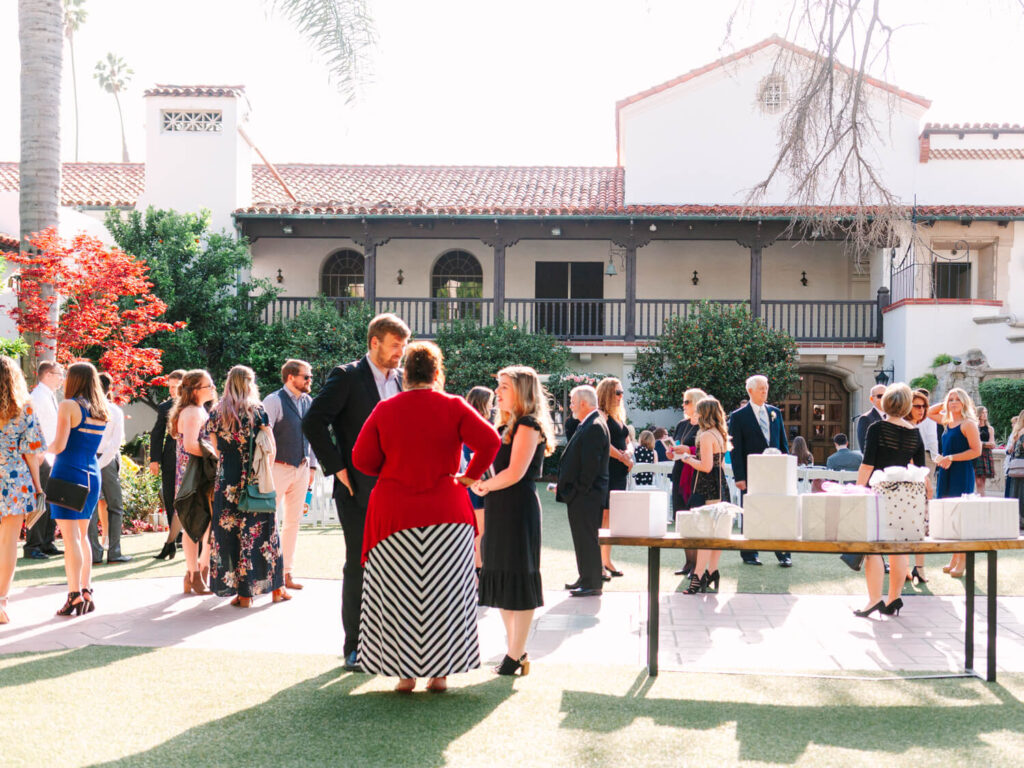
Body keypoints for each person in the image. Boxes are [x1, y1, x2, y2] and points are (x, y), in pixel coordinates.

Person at [353, 343, 500, 692]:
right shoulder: (453, 406)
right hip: (446, 512)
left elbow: (361, 459)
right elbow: (490, 441)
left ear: (405, 375)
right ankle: (440, 675)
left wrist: (390, 468)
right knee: (446, 595)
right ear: (437, 374)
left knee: (397, 595)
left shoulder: (385, 408)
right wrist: (469, 476)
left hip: (393, 515)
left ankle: (405, 675)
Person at [303, 312, 411, 672]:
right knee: (360, 566)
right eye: (396, 346)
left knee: (398, 566)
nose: (401, 353)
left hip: (399, 491)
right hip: (358, 491)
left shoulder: (403, 381)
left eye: (404, 347)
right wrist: (339, 468)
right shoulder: (346, 376)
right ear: (374, 342)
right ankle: (355, 647)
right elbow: (313, 421)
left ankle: (393, 644)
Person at [474, 366, 553, 675]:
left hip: (518, 508)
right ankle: (515, 651)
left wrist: (483, 486)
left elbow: (516, 472)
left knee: (519, 578)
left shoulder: (529, 425)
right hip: (498, 506)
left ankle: (515, 654)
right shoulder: (505, 426)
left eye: (504, 386)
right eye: (498, 386)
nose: (498, 392)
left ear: (521, 391)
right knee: (504, 578)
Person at [205, 366, 288, 606]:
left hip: (227, 479)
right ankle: (274, 588)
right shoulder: (257, 411)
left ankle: (243, 594)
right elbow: (270, 447)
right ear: (250, 383)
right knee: (262, 532)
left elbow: (217, 448)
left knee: (229, 534)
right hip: (254, 478)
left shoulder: (216, 412)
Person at [854, 383, 928, 618]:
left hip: (879, 493)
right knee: (900, 548)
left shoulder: (877, 428)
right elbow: (921, 469)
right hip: (906, 497)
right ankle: (894, 598)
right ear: (907, 405)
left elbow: (867, 464)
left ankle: (874, 599)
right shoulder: (914, 432)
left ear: (885, 403)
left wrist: (857, 490)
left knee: (873, 548)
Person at [49, 362, 109, 616]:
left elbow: (60, 445)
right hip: (92, 474)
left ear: (74, 380)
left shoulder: (68, 406)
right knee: (82, 535)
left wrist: (41, 448)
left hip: (66, 473)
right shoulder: (101, 410)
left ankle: (73, 594)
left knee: (70, 536)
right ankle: (86, 589)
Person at [264, 359, 318, 591]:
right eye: (306, 377)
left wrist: (313, 467)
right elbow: (263, 437)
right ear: (290, 378)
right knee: (268, 520)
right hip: (277, 467)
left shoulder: (309, 401)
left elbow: (313, 435)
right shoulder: (274, 400)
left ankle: (286, 573)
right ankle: (267, 572)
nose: (309, 380)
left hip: (302, 468)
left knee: (293, 522)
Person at [0, 357, 47, 624]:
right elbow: (33, 454)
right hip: (15, 480)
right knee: (8, 543)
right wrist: (38, 488)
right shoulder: (24, 408)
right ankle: (1, 602)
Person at [729, 374, 792, 567]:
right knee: (752, 512)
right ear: (750, 391)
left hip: (775, 473)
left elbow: (782, 442)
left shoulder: (775, 412)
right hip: (750, 473)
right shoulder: (738, 416)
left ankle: (783, 553)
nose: (765, 392)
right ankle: (750, 553)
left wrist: (786, 467)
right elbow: (736, 448)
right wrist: (739, 476)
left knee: (780, 511)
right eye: (761, 388)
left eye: (766, 388)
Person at [557, 385, 609, 599]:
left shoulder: (594, 425)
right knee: (583, 537)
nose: (570, 406)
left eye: (572, 402)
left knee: (587, 537)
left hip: (587, 496)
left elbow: (591, 466)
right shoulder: (589, 423)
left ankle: (592, 581)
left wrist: (577, 490)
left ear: (584, 404)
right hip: (585, 495)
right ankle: (586, 576)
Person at [676, 397, 731, 594]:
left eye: (698, 412)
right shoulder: (720, 434)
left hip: (708, 488)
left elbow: (705, 467)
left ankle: (698, 576)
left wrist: (687, 459)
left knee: (704, 535)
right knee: (716, 534)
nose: (696, 415)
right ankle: (712, 570)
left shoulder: (707, 435)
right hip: (720, 485)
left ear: (705, 414)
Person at [170, 369, 217, 595]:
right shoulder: (192, 412)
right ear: (196, 390)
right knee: (193, 524)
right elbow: (190, 445)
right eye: (209, 386)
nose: (213, 388)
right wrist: (215, 456)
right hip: (193, 473)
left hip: (199, 472)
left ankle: (198, 572)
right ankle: (194, 574)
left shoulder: (198, 410)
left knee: (206, 523)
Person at [928, 387, 981, 578]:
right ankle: (954, 558)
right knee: (950, 517)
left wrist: (950, 457)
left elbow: (976, 451)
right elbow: (928, 412)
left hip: (961, 472)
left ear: (966, 402)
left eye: (958, 399)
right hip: (946, 471)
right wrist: (947, 403)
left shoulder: (968, 424)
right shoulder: (948, 421)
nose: (954, 402)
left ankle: (962, 560)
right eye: (951, 399)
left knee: (961, 517)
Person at [87, 372, 131, 565]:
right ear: (109, 389)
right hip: (107, 461)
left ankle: (95, 554)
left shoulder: (84, 408)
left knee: (90, 507)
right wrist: (102, 462)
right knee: (115, 506)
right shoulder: (114, 410)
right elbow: (116, 443)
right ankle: (114, 551)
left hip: (88, 458)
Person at [23, 361, 64, 560]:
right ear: (47, 374)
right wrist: (37, 452)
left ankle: (47, 542)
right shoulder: (37, 397)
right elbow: (32, 427)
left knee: (50, 500)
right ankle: (33, 545)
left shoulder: (48, 395)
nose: (61, 379)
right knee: (39, 500)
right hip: (41, 456)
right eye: (58, 374)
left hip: (51, 455)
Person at [596, 378, 630, 579]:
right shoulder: (602, 415)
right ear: (607, 393)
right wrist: (622, 456)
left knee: (612, 519)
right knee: (604, 518)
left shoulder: (618, 415)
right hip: (607, 470)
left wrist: (629, 454)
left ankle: (606, 560)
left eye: (621, 392)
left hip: (620, 472)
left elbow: (627, 441)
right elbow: (602, 444)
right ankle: (599, 563)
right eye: (617, 392)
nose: (620, 396)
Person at [671, 388, 706, 577]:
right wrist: (672, 451)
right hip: (679, 472)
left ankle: (697, 565)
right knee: (682, 515)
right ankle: (688, 562)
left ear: (696, 403)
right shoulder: (681, 424)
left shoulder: (705, 425)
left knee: (695, 518)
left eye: (687, 402)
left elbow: (707, 451)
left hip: (696, 474)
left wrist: (689, 449)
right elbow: (676, 446)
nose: (683, 405)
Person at [151, 369, 185, 560]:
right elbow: (157, 434)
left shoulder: (199, 404)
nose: (172, 390)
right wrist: (154, 459)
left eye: (175, 387)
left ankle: (184, 535)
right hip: (170, 456)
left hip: (192, 456)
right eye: (170, 387)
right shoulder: (165, 407)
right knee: (170, 494)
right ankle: (175, 535)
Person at [462, 386, 494, 572]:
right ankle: (478, 571)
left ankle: (477, 570)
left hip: (472, 484)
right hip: (477, 485)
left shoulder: (465, 424)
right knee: (479, 532)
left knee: (477, 532)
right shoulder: (480, 426)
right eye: (490, 402)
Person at [907, 389, 934, 584]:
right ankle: (911, 568)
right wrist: (926, 482)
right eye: (917, 406)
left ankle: (918, 568)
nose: (922, 410)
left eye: (924, 406)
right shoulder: (908, 428)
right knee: (911, 527)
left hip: (918, 481)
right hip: (909, 484)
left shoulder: (916, 427)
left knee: (920, 527)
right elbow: (909, 461)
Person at [1005, 410, 1024, 531]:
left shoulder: (1017, 433)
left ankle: (1017, 519)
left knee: (1017, 494)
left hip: (1016, 468)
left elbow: (1010, 451)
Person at [855, 384, 886, 450]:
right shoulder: (865, 419)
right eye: (880, 396)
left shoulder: (893, 417)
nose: (884, 399)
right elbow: (864, 448)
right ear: (871, 399)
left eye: (886, 396)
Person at [974, 406, 996, 495]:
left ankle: (982, 499)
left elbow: (992, 444)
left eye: (986, 412)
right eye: (983, 412)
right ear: (978, 414)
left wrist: (981, 444)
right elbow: (974, 443)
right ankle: (979, 499)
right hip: (976, 454)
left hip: (986, 455)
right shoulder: (974, 427)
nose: (985, 414)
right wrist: (985, 444)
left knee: (982, 482)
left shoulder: (990, 428)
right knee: (978, 481)